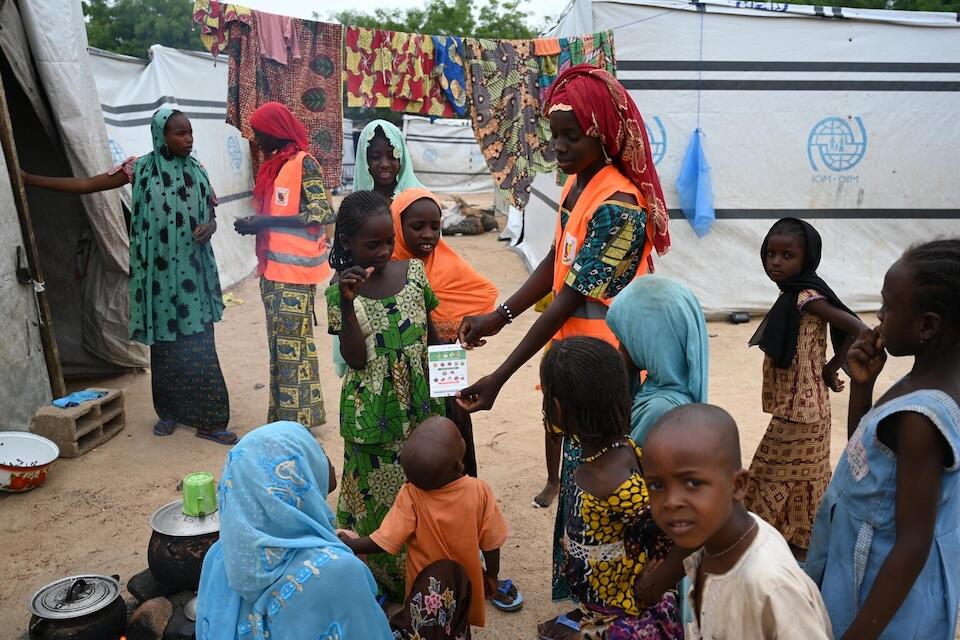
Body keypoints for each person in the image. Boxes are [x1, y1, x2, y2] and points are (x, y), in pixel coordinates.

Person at [456, 66, 671, 624]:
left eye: (571, 136)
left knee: (601, 497)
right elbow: (557, 259)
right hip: (573, 365)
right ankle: (583, 604)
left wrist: (499, 376)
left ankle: (606, 613)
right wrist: (499, 315)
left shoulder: (621, 207)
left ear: (601, 131)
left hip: (607, 372)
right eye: (554, 137)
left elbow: (571, 296)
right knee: (578, 489)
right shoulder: (579, 185)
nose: (559, 148)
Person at [22, 108, 236, 444]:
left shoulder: (199, 170)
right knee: (164, 349)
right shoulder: (139, 168)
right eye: (180, 133)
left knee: (199, 347)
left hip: (192, 279)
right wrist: (31, 180)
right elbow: (86, 185)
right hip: (158, 280)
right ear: (160, 134)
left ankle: (211, 420)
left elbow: (210, 214)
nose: (188, 138)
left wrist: (210, 226)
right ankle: (169, 412)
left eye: (190, 132)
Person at [805, 239, 960, 639]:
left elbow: (912, 545)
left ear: (927, 325)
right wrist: (863, 388)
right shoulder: (926, 386)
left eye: (889, 306)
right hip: (870, 567)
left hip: (876, 591)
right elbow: (870, 459)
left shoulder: (920, 419)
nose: (879, 315)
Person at [325, 190, 445, 602]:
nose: (381, 251)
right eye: (370, 244)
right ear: (347, 244)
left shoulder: (414, 273)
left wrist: (450, 387)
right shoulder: (338, 291)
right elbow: (355, 359)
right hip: (371, 413)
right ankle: (376, 577)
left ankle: (421, 571)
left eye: (386, 241)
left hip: (420, 406)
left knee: (421, 487)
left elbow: (431, 336)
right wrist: (346, 300)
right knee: (376, 496)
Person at [643, 404, 834, 640]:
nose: (671, 502)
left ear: (739, 485)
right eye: (656, 485)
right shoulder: (713, 541)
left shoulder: (769, 584)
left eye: (692, 483)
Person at [538, 336, 684, 640]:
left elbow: (683, 535)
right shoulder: (608, 449)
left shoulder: (613, 480)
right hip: (600, 610)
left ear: (557, 408)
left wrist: (652, 586)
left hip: (623, 622)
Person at [195, 421, 394, 640]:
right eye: (315, 450)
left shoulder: (220, 554)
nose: (325, 460)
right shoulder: (338, 573)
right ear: (293, 480)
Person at [745, 218, 865, 559]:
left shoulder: (806, 297)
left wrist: (830, 369)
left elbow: (857, 329)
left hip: (802, 411)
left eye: (787, 255)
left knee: (769, 472)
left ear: (807, 258)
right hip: (802, 407)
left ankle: (756, 545)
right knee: (803, 480)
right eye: (771, 253)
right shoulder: (794, 295)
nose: (776, 262)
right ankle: (801, 550)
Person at [339, 416, 516, 634]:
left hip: (425, 590)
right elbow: (491, 543)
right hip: (463, 584)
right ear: (459, 464)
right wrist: (491, 575)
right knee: (459, 623)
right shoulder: (479, 491)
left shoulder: (411, 494)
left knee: (428, 628)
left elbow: (385, 540)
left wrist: (351, 545)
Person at [234, 102, 333, 431]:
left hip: (294, 275)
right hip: (273, 274)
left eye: (261, 135)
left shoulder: (305, 164)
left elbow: (322, 213)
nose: (257, 141)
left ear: (276, 133)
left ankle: (292, 425)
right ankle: (292, 418)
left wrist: (265, 222)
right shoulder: (275, 167)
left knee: (292, 349)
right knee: (284, 349)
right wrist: (257, 224)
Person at [391, 188, 498, 476]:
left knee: (451, 432)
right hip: (402, 373)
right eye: (417, 226)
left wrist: (458, 329)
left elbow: (483, 293)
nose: (428, 234)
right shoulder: (387, 270)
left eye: (435, 227)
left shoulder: (447, 265)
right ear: (397, 227)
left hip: (442, 372)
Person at [606, 275, 709, 445]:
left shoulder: (660, 411)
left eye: (622, 340)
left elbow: (624, 465)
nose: (619, 349)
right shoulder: (658, 391)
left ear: (649, 342)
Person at [354, 119, 424, 202]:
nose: (384, 164)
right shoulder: (357, 204)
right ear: (364, 160)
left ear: (402, 158)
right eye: (375, 157)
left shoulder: (419, 200)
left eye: (392, 156)